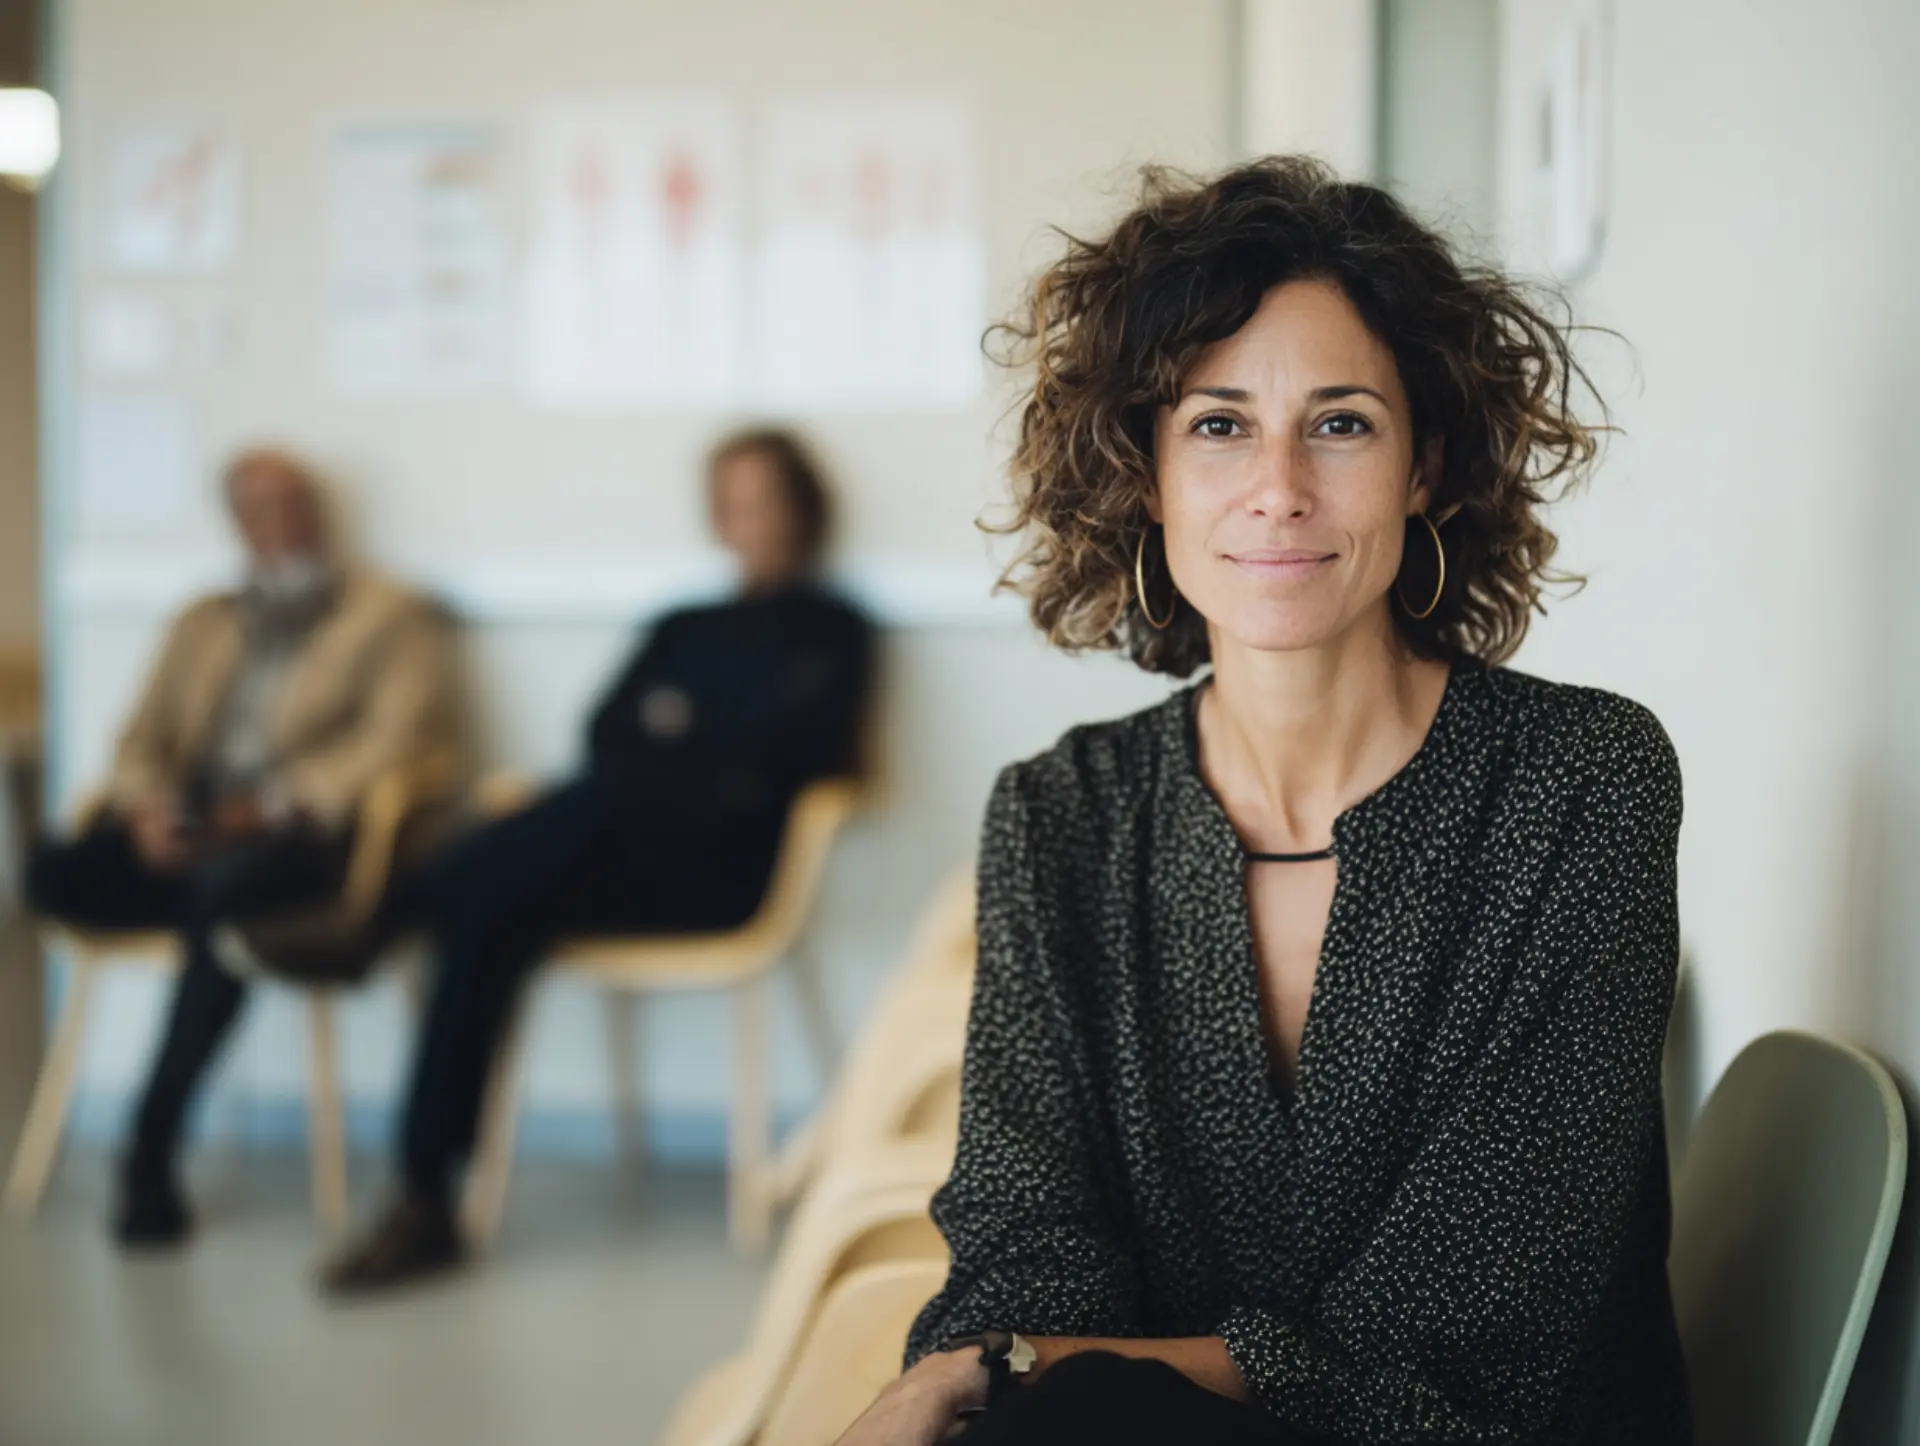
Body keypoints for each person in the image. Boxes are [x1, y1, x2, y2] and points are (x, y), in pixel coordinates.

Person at [840, 158, 1690, 1445]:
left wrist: (1017, 1366)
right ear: (1146, 475)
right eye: (1219, 424)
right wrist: (1032, 1360)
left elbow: (1465, 1341)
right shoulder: (1062, 815)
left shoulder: (1582, 784)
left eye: (1341, 422)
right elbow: (1022, 1239)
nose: (1279, 488)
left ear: (1426, 465)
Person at [322, 427, 875, 1293]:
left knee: (562, 824)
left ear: (802, 511)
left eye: (764, 499)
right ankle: (424, 1199)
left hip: (720, 879)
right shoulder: (682, 623)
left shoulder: (834, 631)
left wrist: (680, 739)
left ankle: (385, 910)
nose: (748, 519)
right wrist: (695, 747)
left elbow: (789, 755)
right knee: (488, 916)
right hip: (612, 862)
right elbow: (607, 730)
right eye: (731, 503)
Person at [25, 449, 466, 1248]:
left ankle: (149, 1144)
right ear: (236, 522)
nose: (283, 522)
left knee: (218, 907)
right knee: (51, 869)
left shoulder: (385, 615)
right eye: (259, 508)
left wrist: (266, 807)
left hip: (300, 838)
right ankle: (188, 892)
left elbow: (401, 744)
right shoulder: (205, 621)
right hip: (190, 826)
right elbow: (142, 738)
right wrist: (150, 812)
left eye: (295, 503)